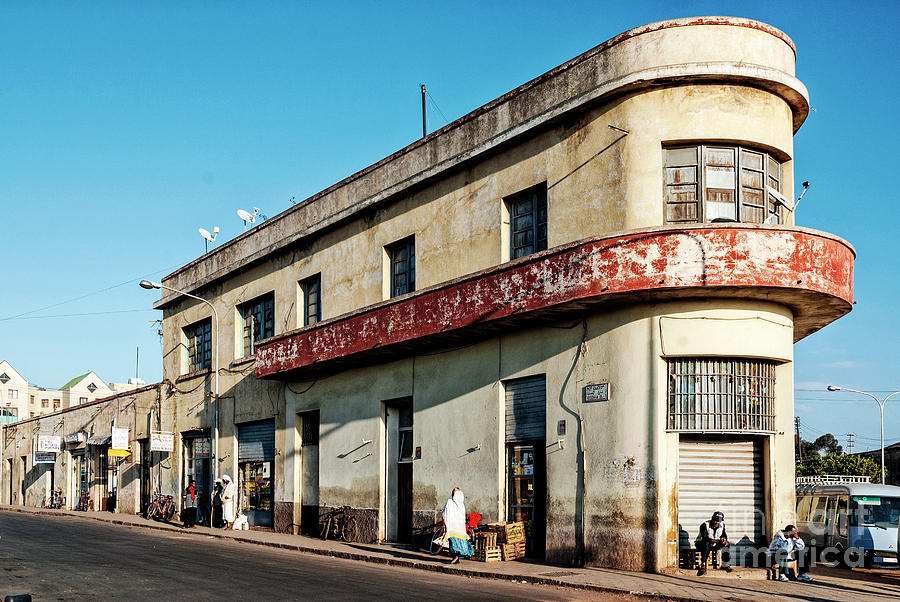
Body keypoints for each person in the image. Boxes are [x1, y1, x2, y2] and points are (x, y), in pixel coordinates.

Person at [442, 487, 474, 564]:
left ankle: (455, 557)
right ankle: (457, 557)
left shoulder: (449, 503)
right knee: (459, 543)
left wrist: (446, 524)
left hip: (452, 527)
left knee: (453, 543)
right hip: (460, 529)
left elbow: (445, 513)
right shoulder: (462, 505)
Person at [696, 511, 733, 575]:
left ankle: (725, 565)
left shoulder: (722, 525)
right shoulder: (704, 525)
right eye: (715, 520)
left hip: (714, 543)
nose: (717, 523)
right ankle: (703, 565)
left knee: (726, 544)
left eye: (718, 521)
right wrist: (717, 541)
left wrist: (724, 539)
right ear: (712, 519)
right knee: (706, 544)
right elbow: (705, 538)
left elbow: (724, 535)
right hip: (701, 543)